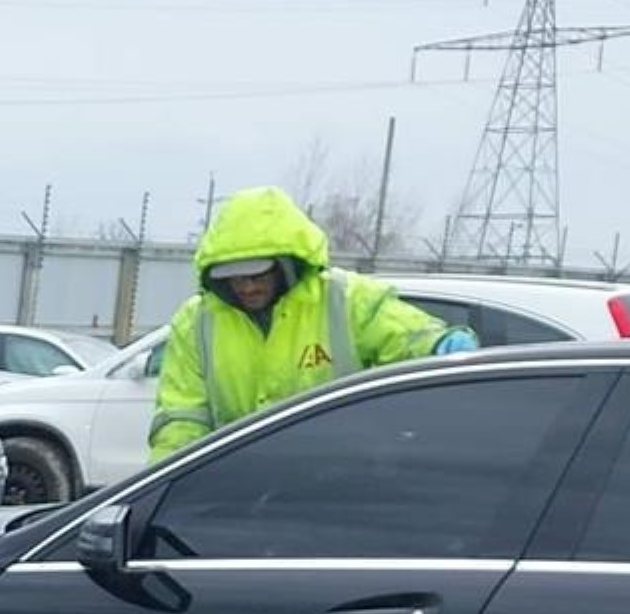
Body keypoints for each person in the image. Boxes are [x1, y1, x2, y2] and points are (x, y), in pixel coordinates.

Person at [149, 187, 473, 458]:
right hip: (240, 487)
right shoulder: (196, 322)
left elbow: (406, 338)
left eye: (257, 274)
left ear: (286, 265)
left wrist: (441, 348)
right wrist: (167, 486)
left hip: (339, 484)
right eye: (234, 278)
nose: (247, 286)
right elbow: (182, 419)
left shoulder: (346, 300)